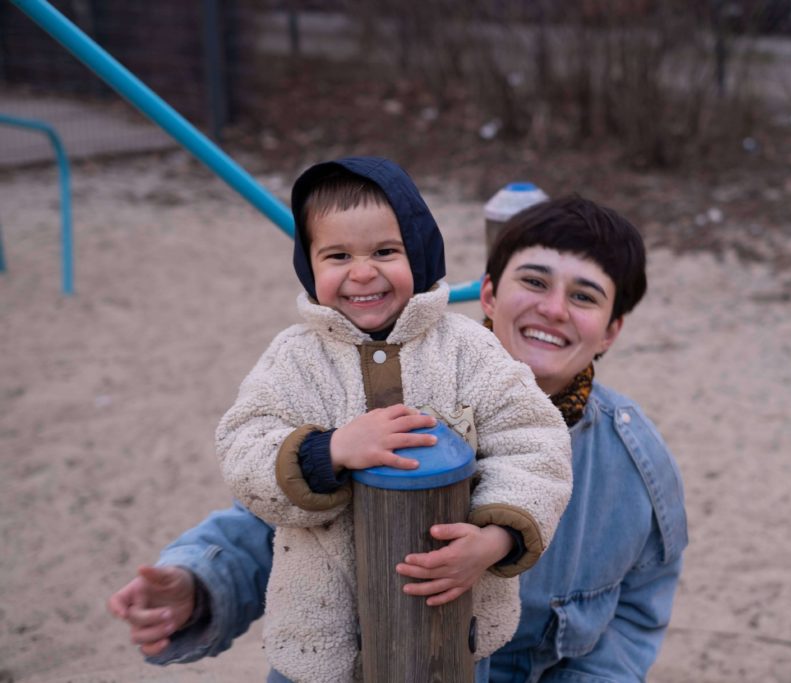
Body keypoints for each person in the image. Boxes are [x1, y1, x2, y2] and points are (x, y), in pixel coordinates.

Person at [109, 195, 689, 682]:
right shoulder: (385, 401)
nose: (553, 308)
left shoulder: (633, 463)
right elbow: (265, 531)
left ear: (612, 329)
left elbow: (637, 608)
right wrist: (195, 584)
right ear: (488, 295)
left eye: (584, 296)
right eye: (533, 281)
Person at [205, 156, 573, 682]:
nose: (361, 271)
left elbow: (535, 443)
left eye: (384, 251)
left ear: (419, 254)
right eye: (337, 255)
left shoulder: (468, 350)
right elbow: (243, 447)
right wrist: (328, 451)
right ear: (310, 266)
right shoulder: (293, 360)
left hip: (451, 634)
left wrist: (494, 540)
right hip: (321, 644)